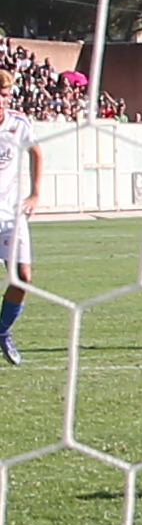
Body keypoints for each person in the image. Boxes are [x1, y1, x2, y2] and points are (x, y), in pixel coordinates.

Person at [0, 70, 42, 366]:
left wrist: (35, 194)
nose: (2, 99)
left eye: (4, 94)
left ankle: (2, 332)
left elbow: (36, 152)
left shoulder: (18, 123)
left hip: (11, 214)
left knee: (23, 278)